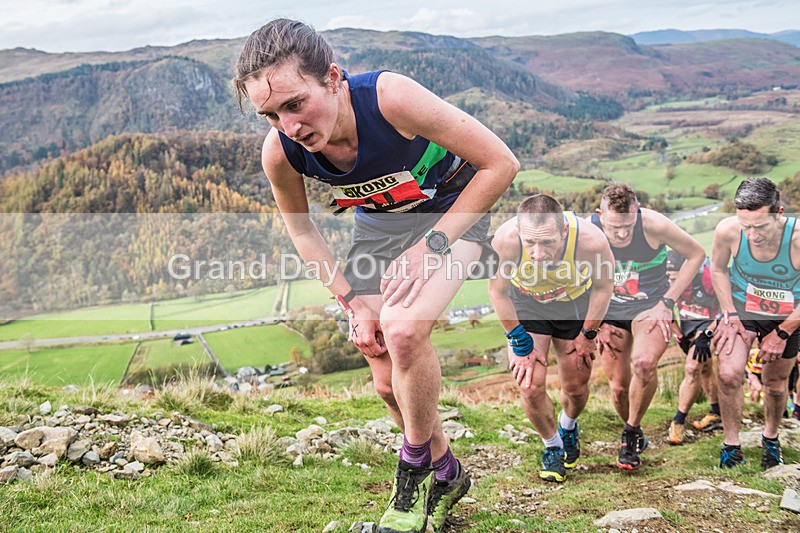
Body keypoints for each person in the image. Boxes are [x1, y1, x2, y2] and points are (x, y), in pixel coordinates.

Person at [233, 19, 519, 533]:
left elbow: (500, 164)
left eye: (295, 104)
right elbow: (302, 234)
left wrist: (433, 247)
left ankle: (411, 477)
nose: (289, 125)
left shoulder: (391, 99)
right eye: (271, 114)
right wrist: (352, 303)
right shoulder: (281, 152)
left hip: (452, 214)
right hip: (379, 232)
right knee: (387, 377)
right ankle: (447, 471)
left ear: (333, 78)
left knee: (407, 331)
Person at [488, 194, 614, 482]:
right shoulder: (505, 241)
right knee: (529, 384)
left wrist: (589, 333)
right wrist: (518, 340)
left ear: (564, 232)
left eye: (547, 243)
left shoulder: (591, 242)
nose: (538, 253)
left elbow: (604, 287)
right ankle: (553, 447)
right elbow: (498, 292)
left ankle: (568, 426)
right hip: (528, 305)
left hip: (574, 306)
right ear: (520, 233)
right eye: (530, 243)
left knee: (576, 387)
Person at [590, 183, 705, 470]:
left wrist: (667, 303)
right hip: (609, 311)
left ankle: (629, 433)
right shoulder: (587, 231)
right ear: (599, 215)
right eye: (614, 227)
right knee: (617, 387)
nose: (621, 234)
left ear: (637, 214)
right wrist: (594, 321)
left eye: (628, 225)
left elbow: (696, 254)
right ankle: (636, 429)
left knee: (643, 364)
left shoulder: (654, 224)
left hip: (649, 307)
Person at [711, 177, 799, 470]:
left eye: (760, 227)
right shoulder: (728, 230)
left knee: (774, 384)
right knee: (728, 374)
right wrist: (729, 313)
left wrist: (782, 332)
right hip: (742, 308)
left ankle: (771, 438)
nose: (751, 235)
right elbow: (719, 269)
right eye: (745, 226)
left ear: (779, 213)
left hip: (787, 315)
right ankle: (732, 445)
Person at [665, 251, 722, 445]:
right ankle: (717, 413)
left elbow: (727, 308)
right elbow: (665, 310)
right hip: (689, 325)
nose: (671, 283)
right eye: (668, 278)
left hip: (710, 324)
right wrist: (679, 336)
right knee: (704, 368)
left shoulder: (707, 278)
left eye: (675, 278)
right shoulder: (664, 282)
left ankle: (678, 421)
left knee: (692, 367)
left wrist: (707, 335)